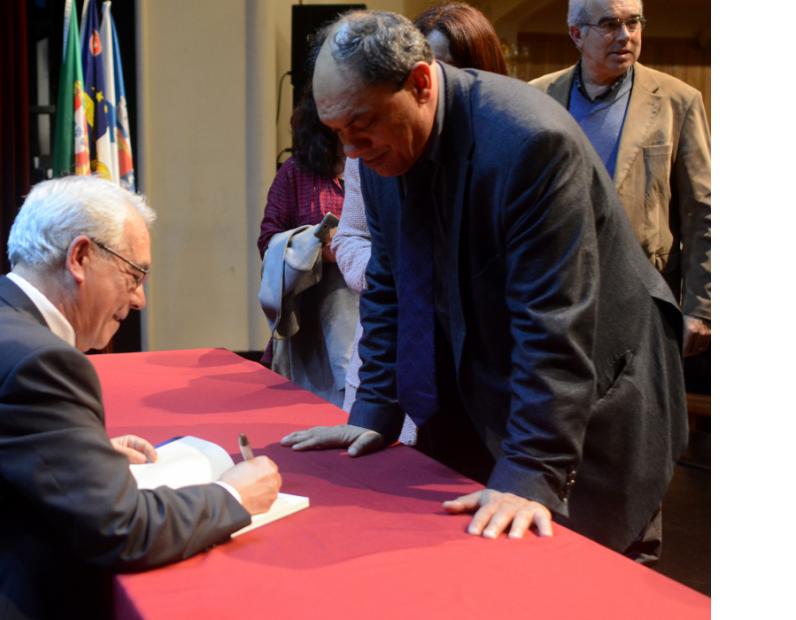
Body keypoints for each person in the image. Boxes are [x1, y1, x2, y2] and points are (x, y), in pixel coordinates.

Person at [281, 11, 686, 562]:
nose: (351, 150)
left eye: (361, 124)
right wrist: (374, 410)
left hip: (597, 393)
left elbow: (554, 319)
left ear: (421, 84)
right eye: (337, 134)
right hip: (487, 383)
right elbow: (389, 285)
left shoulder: (530, 143)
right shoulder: (379, 146)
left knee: (580, 575)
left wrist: (531, 471)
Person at [0, 176, 281, 618]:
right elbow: (121, 530)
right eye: (134, 275)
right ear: (80, 257)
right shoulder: (34, 359)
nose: (140, 300)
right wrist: (231, 496)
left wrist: (71, 454)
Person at [332, 2, 509, 447]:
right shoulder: (373, 149)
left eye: (448, 74)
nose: (428, 91)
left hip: (483, 378)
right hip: (396, 358)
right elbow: (351, 236)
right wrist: (400, 274)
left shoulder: (507, 146)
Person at [530, 0, 711, 358]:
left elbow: (704, 211)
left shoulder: (678, 101)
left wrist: (701, 306)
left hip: (645, 298)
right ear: (576, 34)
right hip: (557, 299)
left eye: (634, 22)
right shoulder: (539, 97)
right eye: (611, 24)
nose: (626, 36)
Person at [257, 73, 356, 407]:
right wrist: (313, 246)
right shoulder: (296, 173)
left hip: (371, 319)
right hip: (310, 334)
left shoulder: (380, 166)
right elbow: (268, 242)